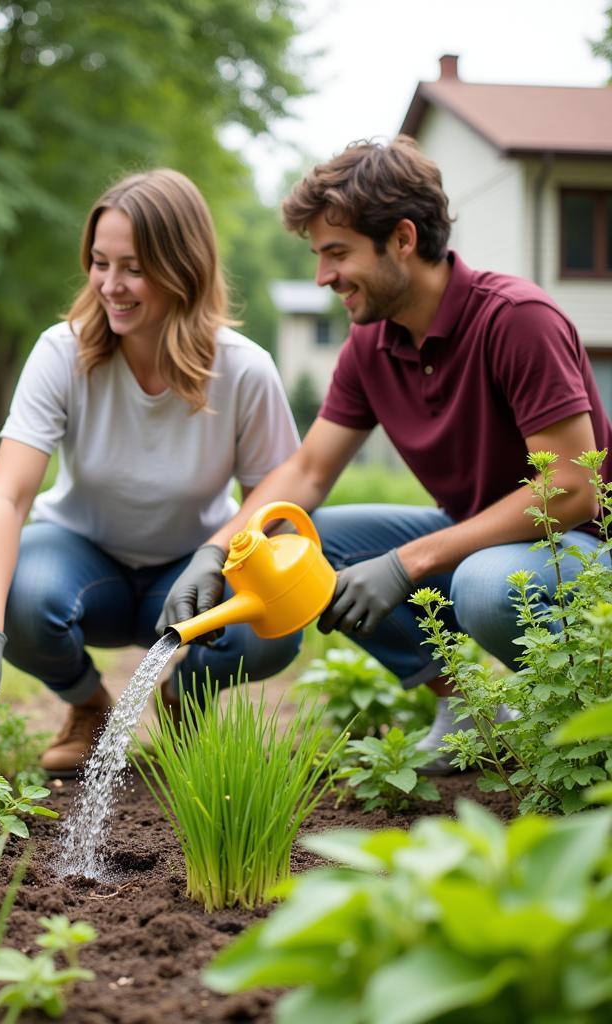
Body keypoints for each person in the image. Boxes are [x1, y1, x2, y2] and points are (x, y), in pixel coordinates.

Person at [160, 136, 612, 772]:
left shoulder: (516, 320)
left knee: (488, 587)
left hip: (587, 557)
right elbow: (307, 471)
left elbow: (570, 489)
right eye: (319, 256)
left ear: (402, 239)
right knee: (314, 546)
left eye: (337, 253)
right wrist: (218, 549)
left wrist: (407, 563)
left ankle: (587, 732)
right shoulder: (371, 344)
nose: (323, 277)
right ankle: (472, 713)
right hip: (482, 538)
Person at [0, 168, 300, 775]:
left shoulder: (244, 370)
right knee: (20, 599)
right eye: (99, 263)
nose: (111, 285)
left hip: (189, 572)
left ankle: (184, 698)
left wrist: (215, 554)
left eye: (133, 267)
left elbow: (278, 491)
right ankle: (89, 705)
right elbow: (7, 496)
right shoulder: (63, 352)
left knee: (271, 628)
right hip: (81, 558)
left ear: (183, 267)